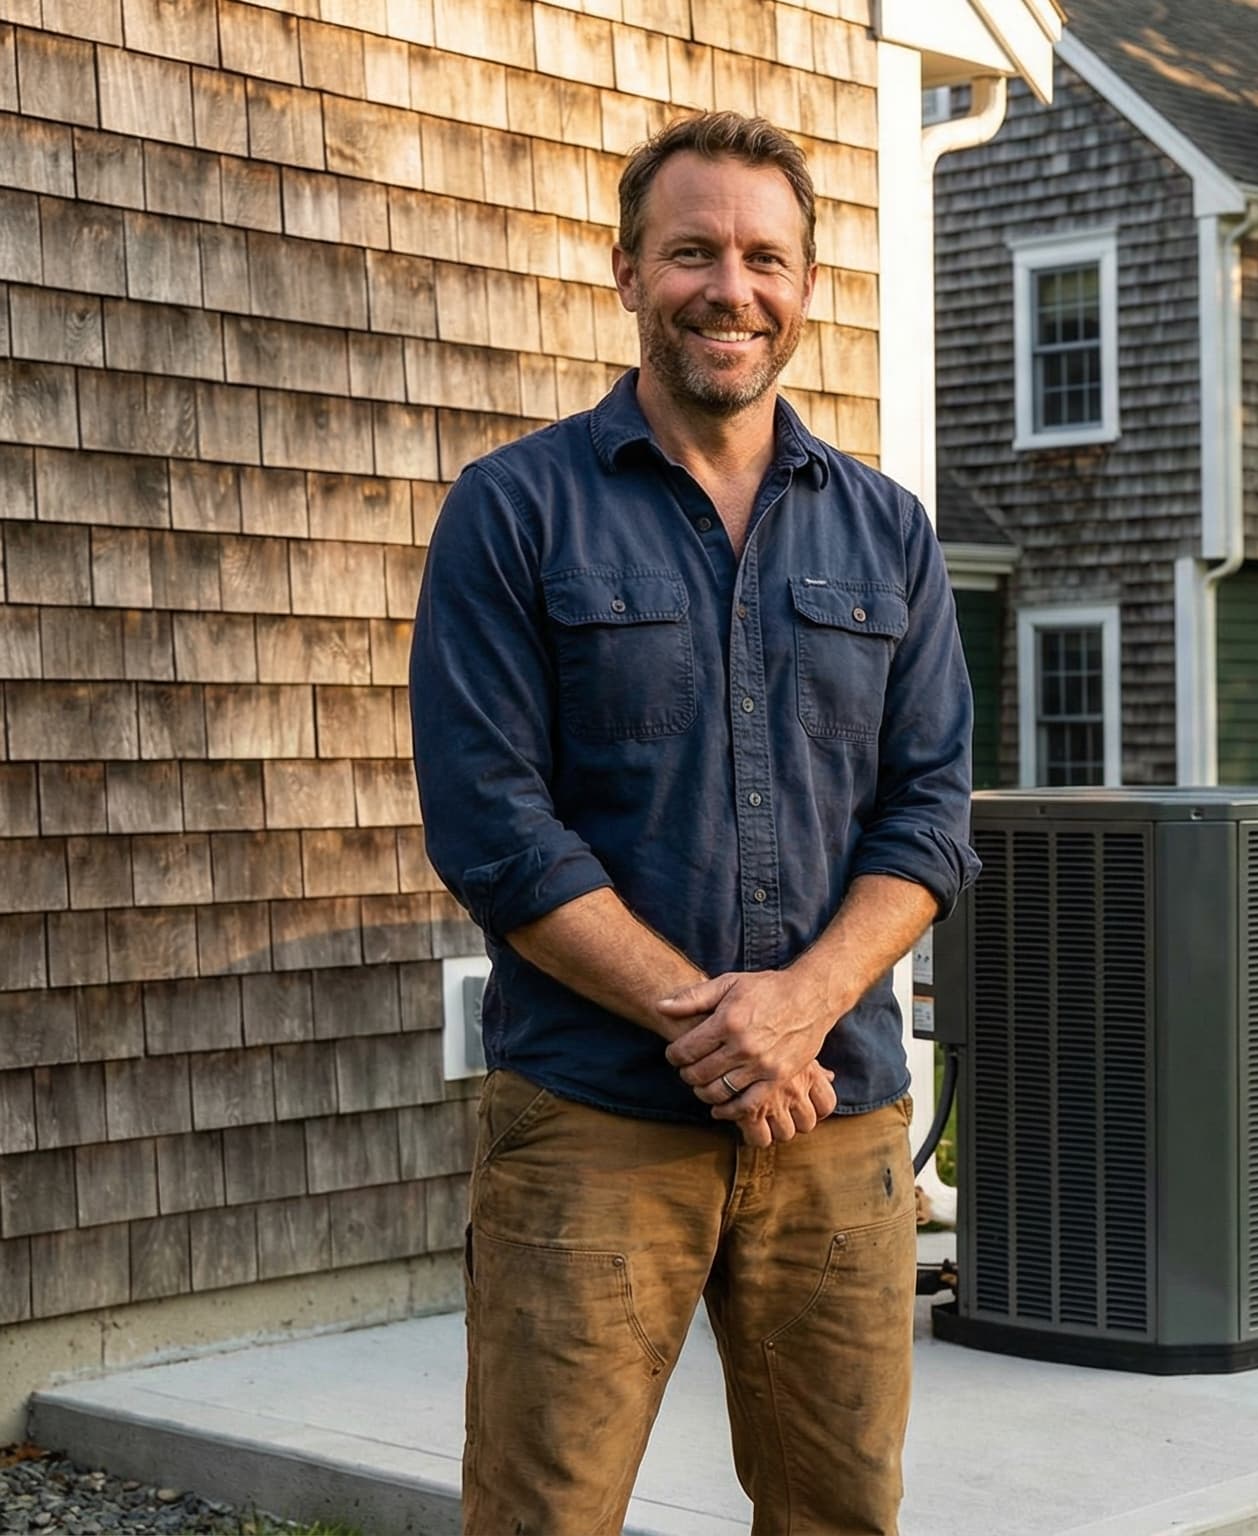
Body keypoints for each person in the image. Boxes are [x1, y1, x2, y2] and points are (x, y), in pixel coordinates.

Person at [409, 111, 976, 1536]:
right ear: (626, 274)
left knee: (840, 1508)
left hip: (835, 1120)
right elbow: (493, 823)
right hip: (594, 1120)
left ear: (805, 287)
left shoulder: (889, 532)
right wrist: (713, 1025)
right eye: (694, 252)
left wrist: (802, 1009)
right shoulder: (514, 512)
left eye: (765, 257)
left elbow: (928, 812)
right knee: (545, 1511)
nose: (732, 286)